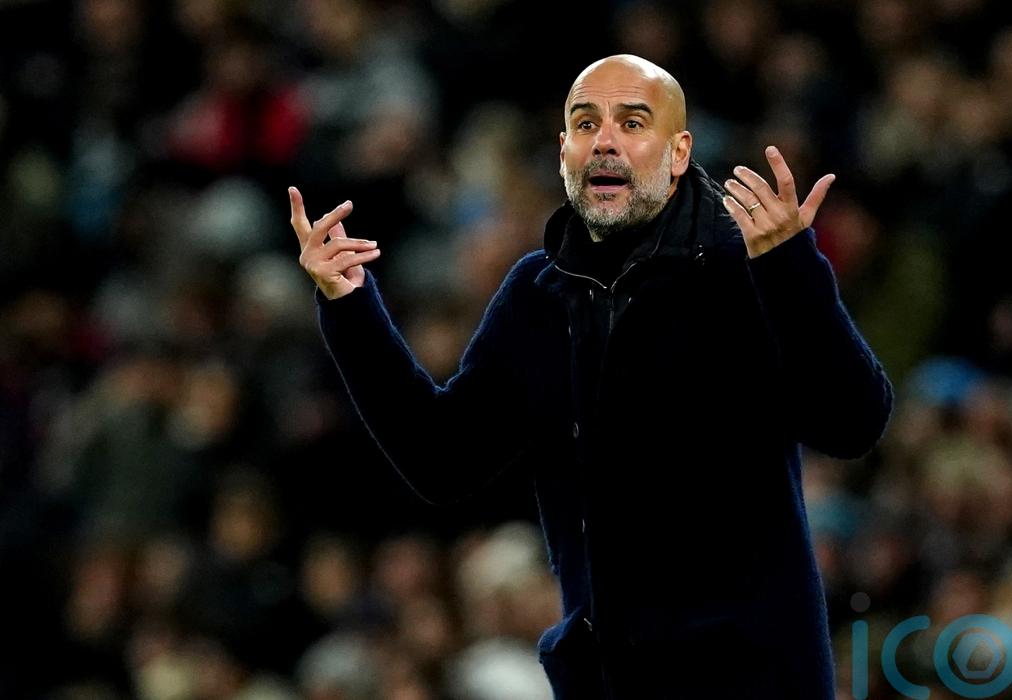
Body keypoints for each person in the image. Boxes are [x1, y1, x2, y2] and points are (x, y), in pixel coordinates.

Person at [289, 54, 893, 699]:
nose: (604, 140)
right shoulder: (537, 295)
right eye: (585, 124)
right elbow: (442, 461)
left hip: (750, 680)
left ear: (679, 152)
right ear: (563, 153)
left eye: (632, 122)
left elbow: (853, 423)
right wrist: (351, 308)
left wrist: (792, 269)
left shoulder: (746, 268)